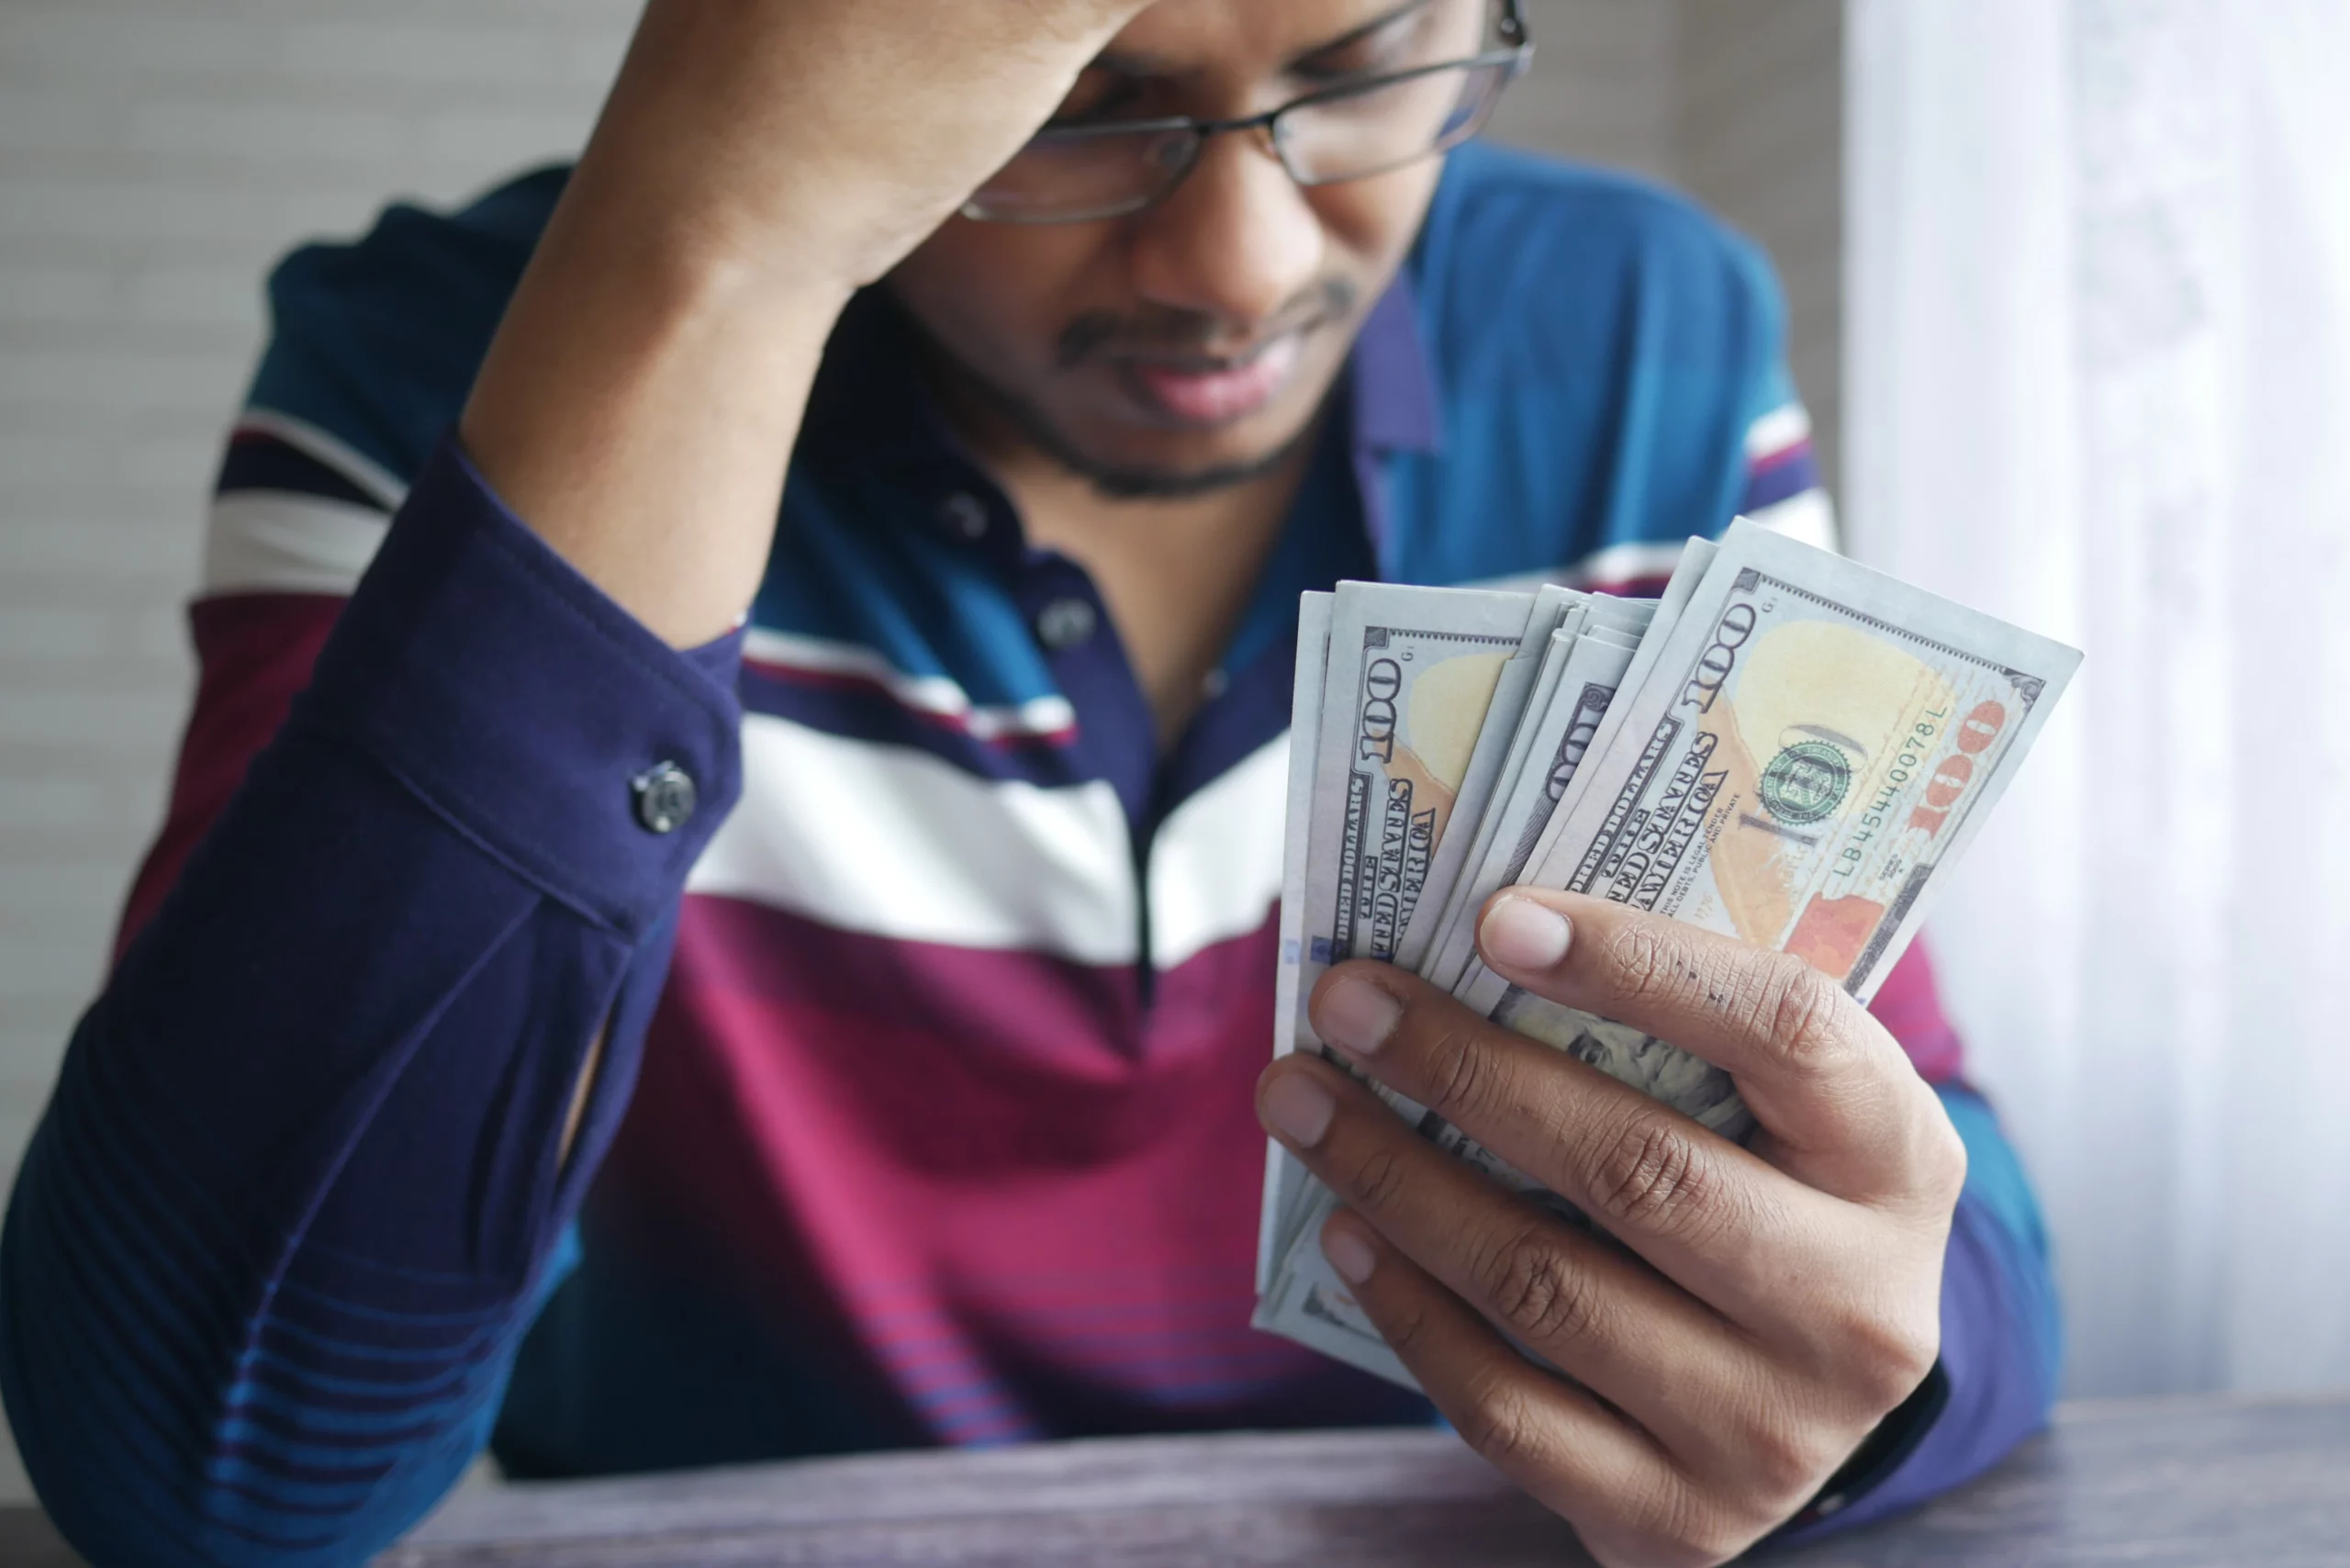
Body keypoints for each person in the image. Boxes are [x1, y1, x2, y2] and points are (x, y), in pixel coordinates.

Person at [0, 2, 2061, 1563]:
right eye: (1073, 102)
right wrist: (699, 251)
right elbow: (213, 1477)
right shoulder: (442, 371)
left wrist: (1861, 1361)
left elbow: (1932, 1217)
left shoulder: (1640, 331)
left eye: (1364, 64)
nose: (1239, 270)